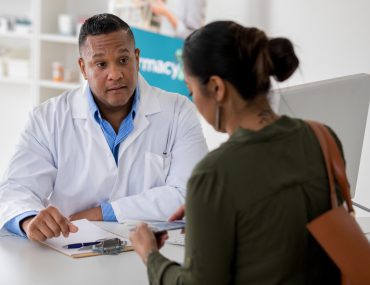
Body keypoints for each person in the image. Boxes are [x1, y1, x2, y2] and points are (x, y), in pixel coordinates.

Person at [129, 21, 342, 284]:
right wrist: (212, 206)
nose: (193, 100)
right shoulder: (323, 138)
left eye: (191, 90)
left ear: (217, 88)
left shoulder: (213, 175)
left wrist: (150, 255)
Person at [0, 13, 208, 242]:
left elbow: (191, 194)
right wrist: (28, 220)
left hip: (151, 255)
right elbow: (15, 189)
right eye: (101, 64)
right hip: (71, 254)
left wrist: (101, 213)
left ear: (137, 58)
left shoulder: (179, 111)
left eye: (123, 60)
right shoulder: (47, 118)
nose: (115, 74)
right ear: (82, 67)